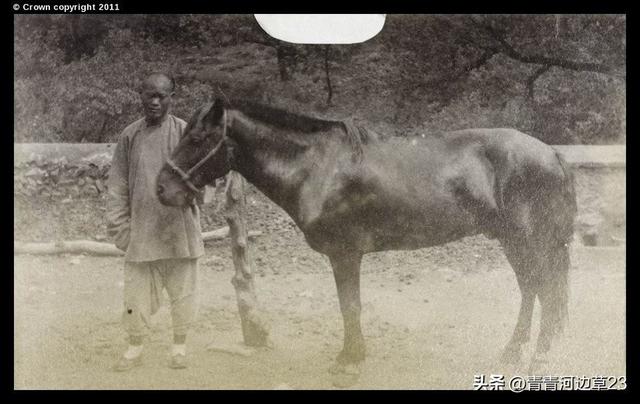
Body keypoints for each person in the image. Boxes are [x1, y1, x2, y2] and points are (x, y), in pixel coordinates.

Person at [106, 72, 204, 371]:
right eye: (150, 94)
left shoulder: (186, 133)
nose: (155, 101)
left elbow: (202, 178)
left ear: (172, 97)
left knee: (183, 293)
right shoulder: (129, 135)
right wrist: (120, 228)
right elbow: (117, 185)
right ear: (141, 95)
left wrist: (194, 193)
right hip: (142, 231)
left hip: (179, 230)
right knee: (135, 293)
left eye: (162, 95)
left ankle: (179, 347)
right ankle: (135, 349)